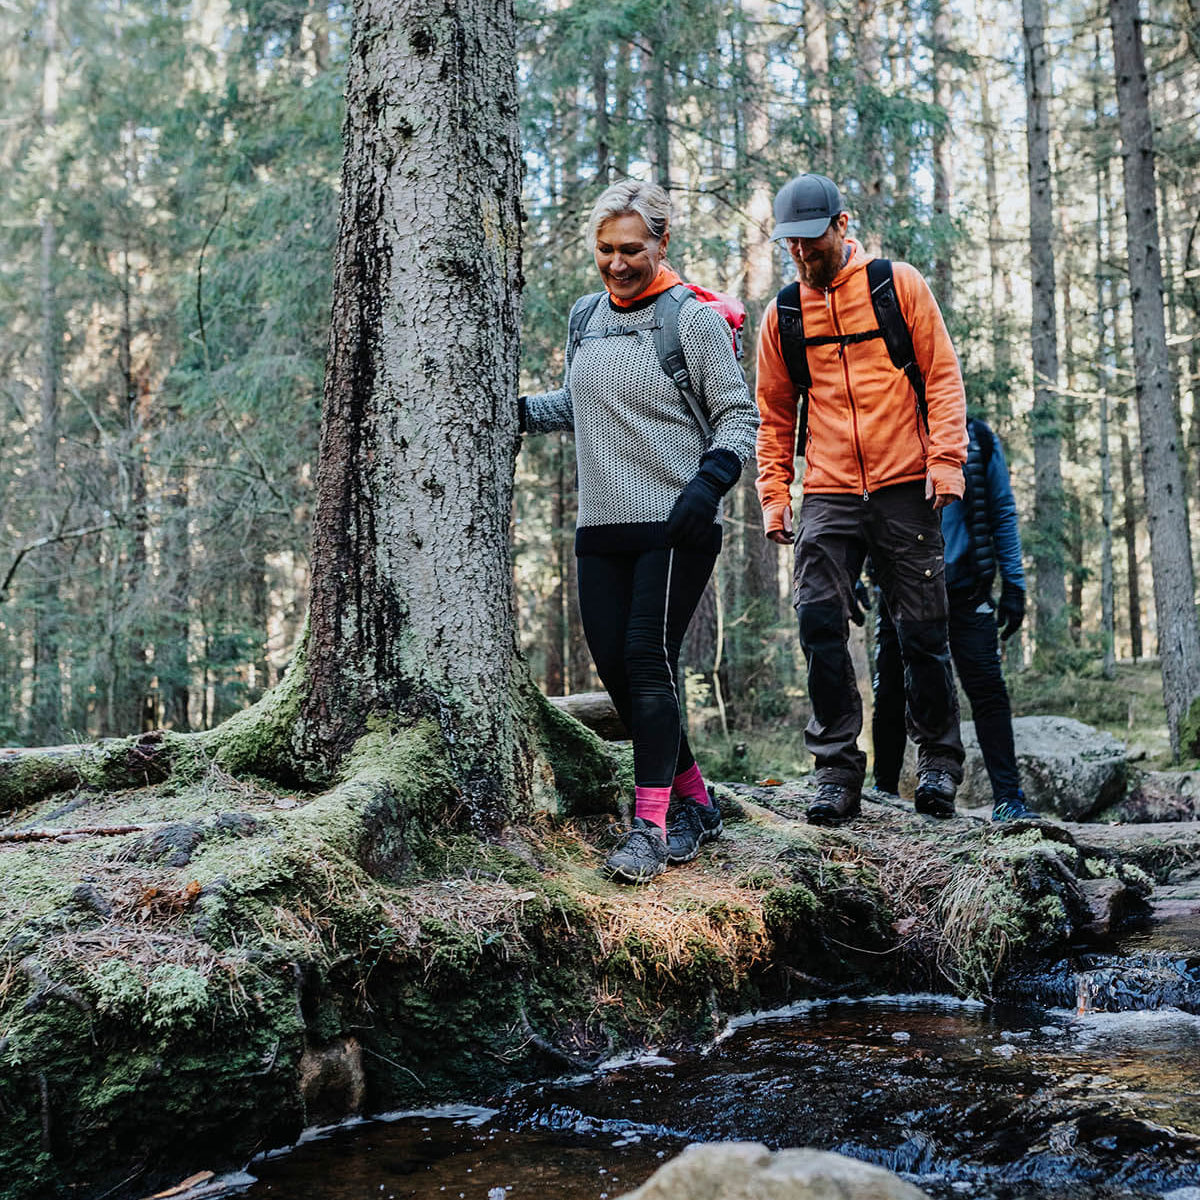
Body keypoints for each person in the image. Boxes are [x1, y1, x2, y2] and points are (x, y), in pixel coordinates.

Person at [519, 180, 759, 883]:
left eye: (632, 249)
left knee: (649, 662)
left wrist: (707, 487)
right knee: (617, 673)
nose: (618, 263)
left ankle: (650, 826)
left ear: (661, 244)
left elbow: (738, 416)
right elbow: (585, 401)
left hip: (675, 520)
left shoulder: (691, 320)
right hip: (602, 520)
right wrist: (517, 412)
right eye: (605, 249)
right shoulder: (586, 316)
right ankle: (695, 801)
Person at [755, 172, 967, 824]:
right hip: (828, 488)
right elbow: (773, 414)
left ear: (842, 227)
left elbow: (941, 375)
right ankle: (837, 771)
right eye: (791, 245)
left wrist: (947, 465)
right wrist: (775, 494)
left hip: (906, 482)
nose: (802, 254)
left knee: (921, 631)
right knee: (818, 617)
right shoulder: (785, 314)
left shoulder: (896, 287)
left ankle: (937, 765)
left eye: (811, 242)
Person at [870, 416, 1038, 822]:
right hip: (901, 589)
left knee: (988, 691)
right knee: (891, 688)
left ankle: (1008, 799)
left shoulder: (977, 439)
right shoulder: (887, 429)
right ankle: (883, 791)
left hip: (966, 588)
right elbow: (863, 508)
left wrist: (1014, 583)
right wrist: (858, 574)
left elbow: (1001, 510)